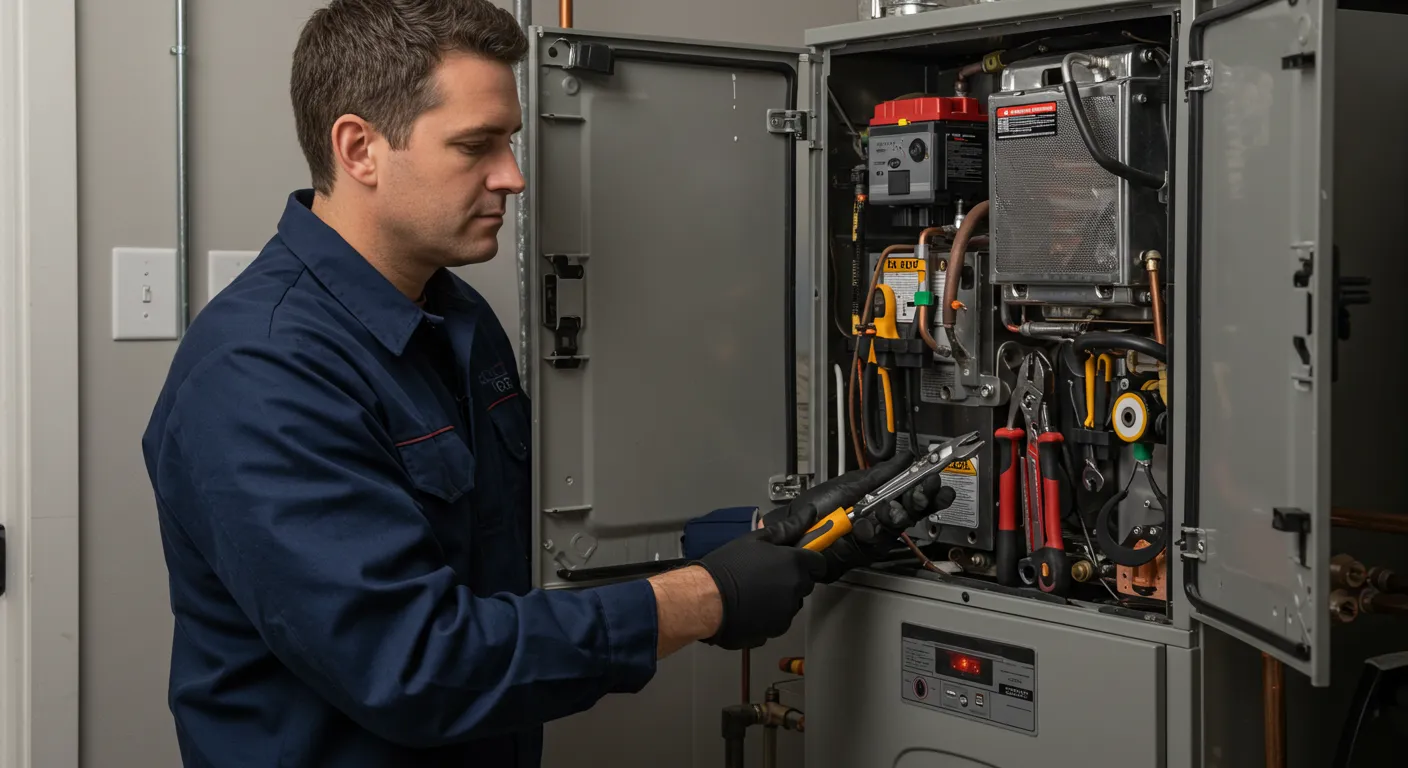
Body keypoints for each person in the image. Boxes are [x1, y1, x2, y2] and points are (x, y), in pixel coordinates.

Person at [140, 1, 955, 766]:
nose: (513, 178)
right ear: (359, 149)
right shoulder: (264, 371)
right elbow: (416, 664)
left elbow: (502, 561)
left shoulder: (454, 320)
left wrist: (746, 539)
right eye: (476, 145)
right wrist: (707, 598)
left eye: (513, 142)